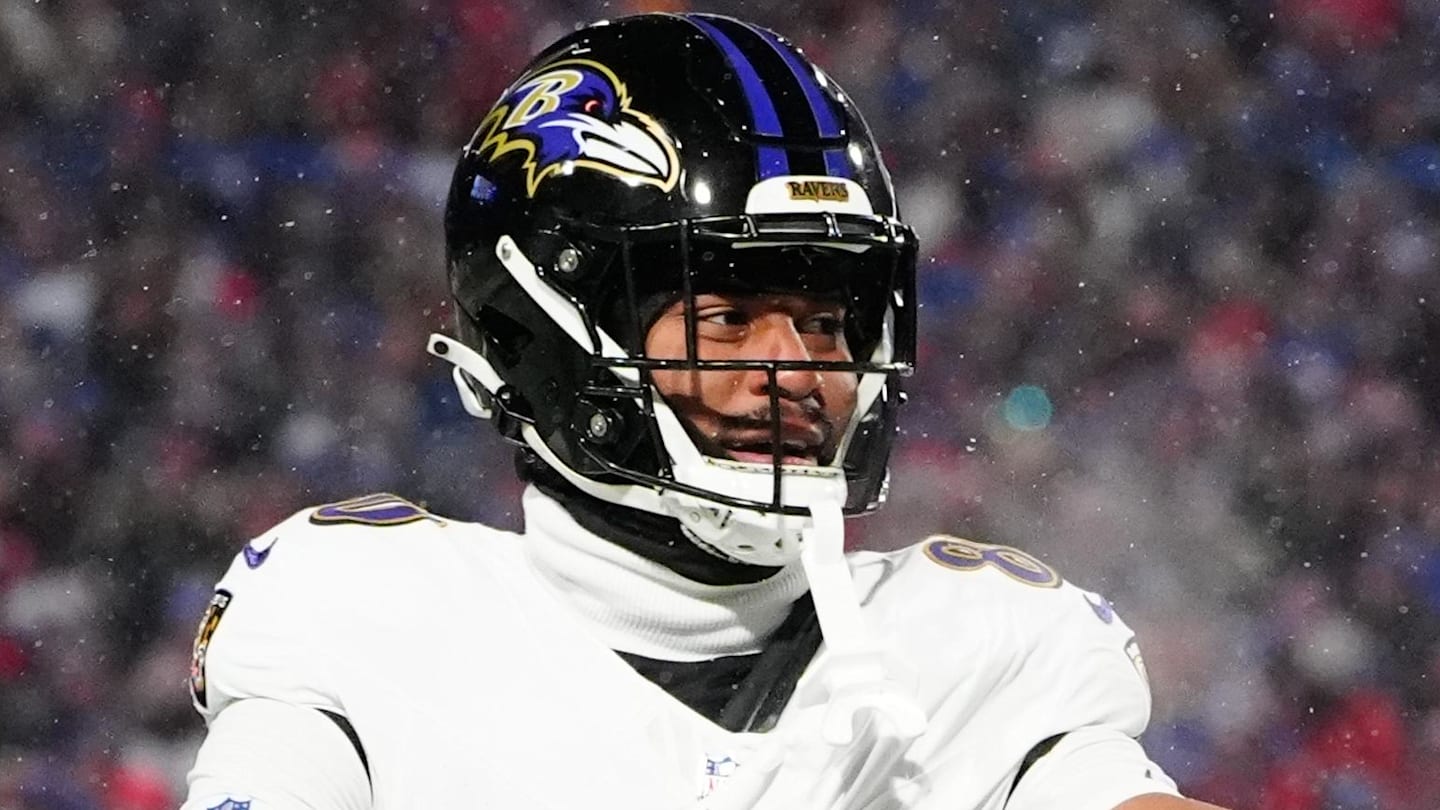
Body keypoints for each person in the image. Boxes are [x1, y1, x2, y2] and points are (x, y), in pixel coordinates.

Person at [179, 13, 1229, 810]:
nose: (799, 368)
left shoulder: (972, 650)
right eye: (729, 314)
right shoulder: (375, 618)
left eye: (825, 320)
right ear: (540, 335)